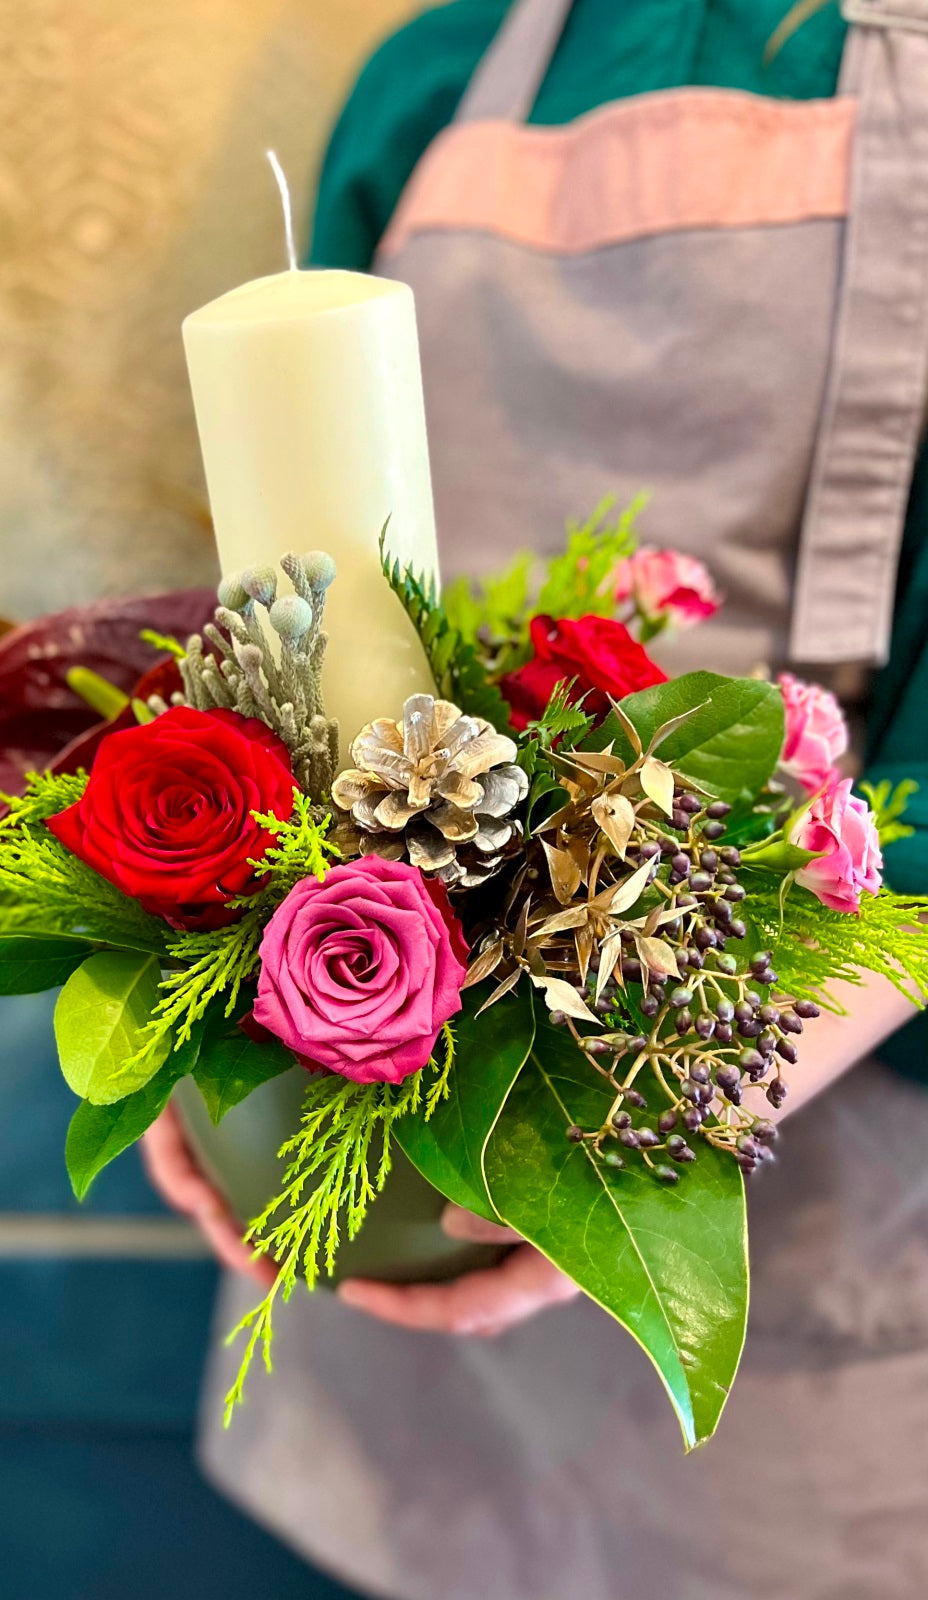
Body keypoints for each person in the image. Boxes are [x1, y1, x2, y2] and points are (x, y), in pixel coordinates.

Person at [145, 2, 928, 1594]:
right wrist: (205, 1027)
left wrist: (638, 1129)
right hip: (372, 1166)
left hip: (787, 1168)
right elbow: (289, 581)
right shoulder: (439, 75)